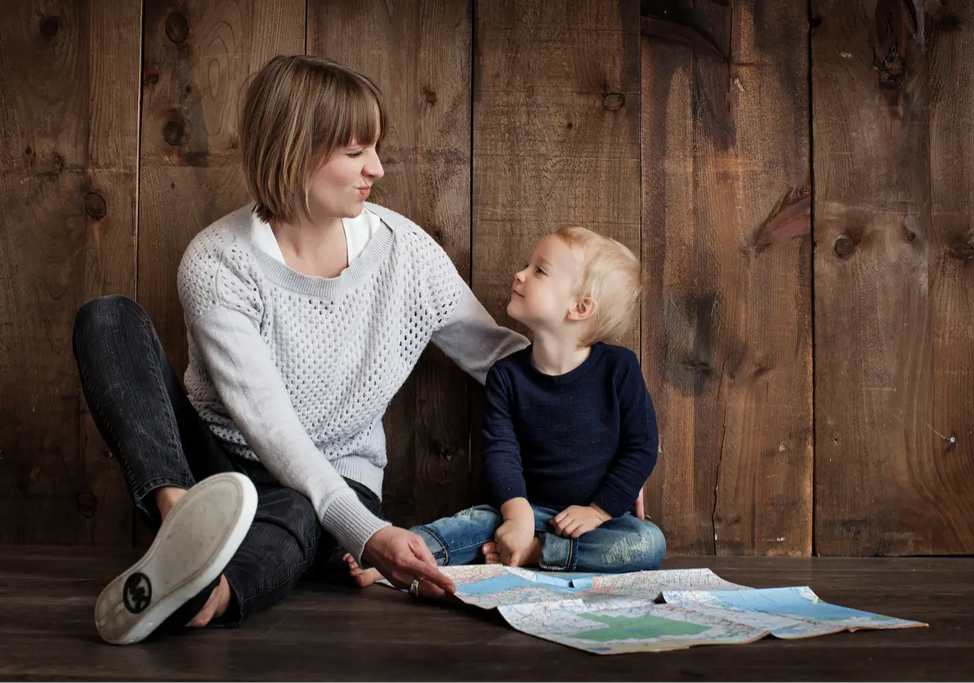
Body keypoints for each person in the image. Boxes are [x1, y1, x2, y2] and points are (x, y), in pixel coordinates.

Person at [71, 54, 528, 645]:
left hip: (334, 480)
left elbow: (499, 357)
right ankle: (182, 524)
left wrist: (602, 427)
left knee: (298, 511)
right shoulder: (217, 262)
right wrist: (368, 537)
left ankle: (207, 593)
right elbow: (270, 426)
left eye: (375, 148)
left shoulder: (404, 253)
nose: (378, 169)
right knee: (108, 318)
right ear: (295, 149)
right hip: (213, 469)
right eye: (356, 151)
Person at [347, 226, 664, 587]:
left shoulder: (618, 369)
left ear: (580, 308)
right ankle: (393, 558)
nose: (520, 274)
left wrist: (599, 510)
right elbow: (501, 451)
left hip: (596, 522)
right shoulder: (508, 376)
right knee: (471, 525)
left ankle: (537, 553)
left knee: (647, 543)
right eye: (528, 266)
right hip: (527, 508)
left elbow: (641, 446)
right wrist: (516, 514)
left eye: (539, 271)